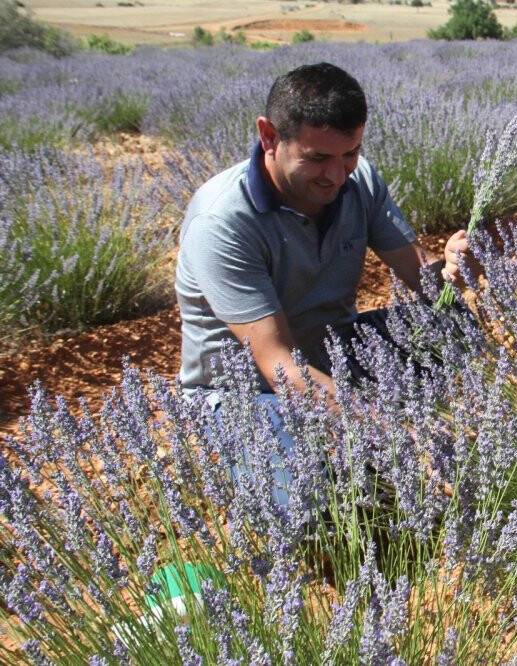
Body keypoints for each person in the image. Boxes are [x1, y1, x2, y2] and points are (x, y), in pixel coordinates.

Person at [174, 63, 477, 505]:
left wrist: (454, 267)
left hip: (333, 348)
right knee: (316, 513)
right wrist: (387, 430)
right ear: (269, 136)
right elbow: (277, 364)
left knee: (453, 325)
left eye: (349, 154)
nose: (336, 175)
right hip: (245, 389)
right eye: (317, 158)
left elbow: (421, 277)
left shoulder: (359, 181)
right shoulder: (222, 222)